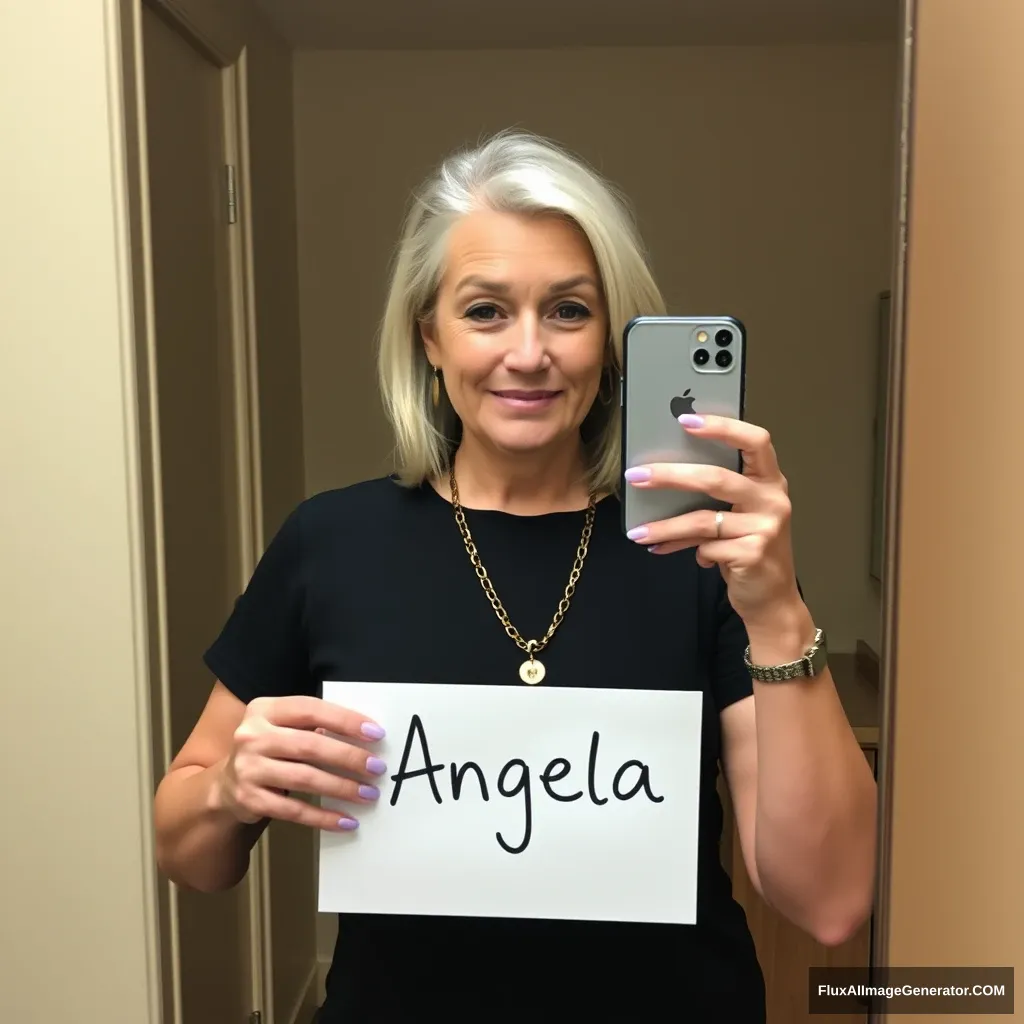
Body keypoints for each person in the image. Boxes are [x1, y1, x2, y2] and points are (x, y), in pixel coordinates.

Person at [153, 129, 877, 1021]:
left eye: (568, 311)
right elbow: (187, 852)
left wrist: (775, 612)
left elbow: (830, 902)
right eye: (486, 310)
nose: (528, 353)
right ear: (429, 337)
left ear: (613, 340)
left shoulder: (704, 553)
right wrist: (227, 791)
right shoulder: (330, 542)